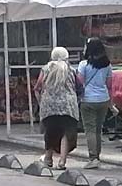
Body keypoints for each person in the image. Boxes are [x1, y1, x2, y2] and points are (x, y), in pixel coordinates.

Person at [36, 47, 79, 170]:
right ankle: (62, 162)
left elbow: (37, 87)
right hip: (68, 105)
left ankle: (48, 159)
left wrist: (41, 101)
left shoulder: (46, 69)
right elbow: (79, 85)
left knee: (50, 131)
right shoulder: (71, 70)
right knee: (66, 132)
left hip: (49, 105)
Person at [77, 38, 113, 169]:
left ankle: (93, 157)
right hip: (103, 99)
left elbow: (80, 83)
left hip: (88, 100)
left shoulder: (83, 65)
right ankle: (97, 156)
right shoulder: (107, 65)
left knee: (90, 130)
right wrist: (111, 102)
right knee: (98, 129)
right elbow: (109, 85)